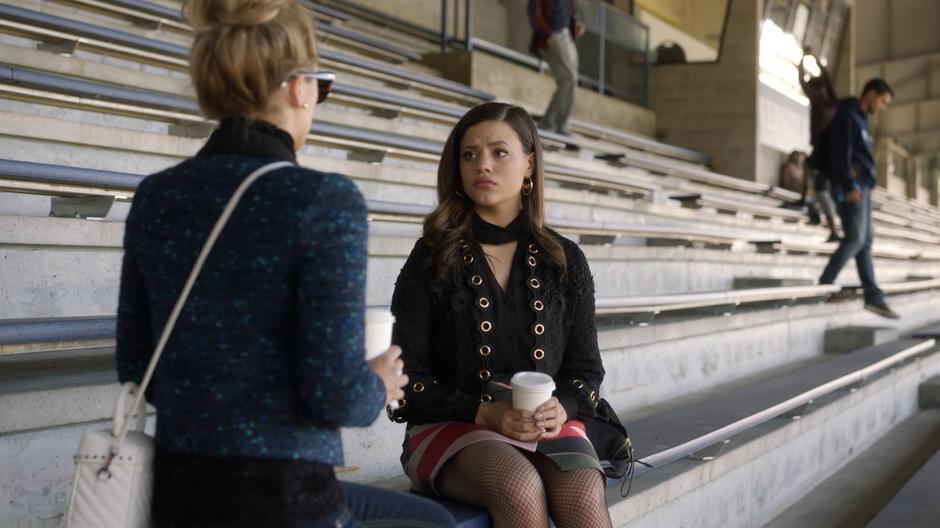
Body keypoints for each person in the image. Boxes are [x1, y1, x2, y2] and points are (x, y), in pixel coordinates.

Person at [115, 1, 456, 526]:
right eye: (324, 86)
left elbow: (140, 369)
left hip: (179, 496)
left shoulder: (157, 197)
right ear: (299, 86)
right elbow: (337, 397)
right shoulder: (323, 200)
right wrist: (377, 384)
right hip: (285, 500)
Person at [387, 102, 618, 528]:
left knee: (585, 494)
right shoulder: (432, 257)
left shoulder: (565, 259)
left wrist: (563, 408)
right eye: (470, 155)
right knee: (518, 485)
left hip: (546, 429)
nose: (483, 166)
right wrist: (485, 413)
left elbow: (586, 369)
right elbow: (407, 377)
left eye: (499, 152)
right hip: (450, 428)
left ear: (529, 164)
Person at [818, 78, 898, 319]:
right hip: (851, 187)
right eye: (882, 101)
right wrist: (848, 184)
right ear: (871, 93)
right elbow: (840, 153)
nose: (882, 108)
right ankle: (825, 284)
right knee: (855, 238)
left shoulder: (861, 119)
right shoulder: (847, 114)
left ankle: (873, 297)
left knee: (865, 241)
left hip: (862, 186)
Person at [798, 51, 840, 242]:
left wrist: (804, 59)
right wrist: (812, 59)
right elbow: (826, 78)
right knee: (807, 167)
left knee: (822, 189)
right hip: (825, 150)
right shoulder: (831, 101)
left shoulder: (821, 100)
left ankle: (833, 229)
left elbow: (803, 81)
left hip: (824, 151)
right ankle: (807, 201)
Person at [528, 0, 585, 137]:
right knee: (569, 78)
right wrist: (548, 35)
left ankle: (548, 122)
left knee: (569, 81)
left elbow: (570, 14)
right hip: (554, 36)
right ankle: (561, 126)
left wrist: (577, 26)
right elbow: (534, 15)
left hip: (567, 37)